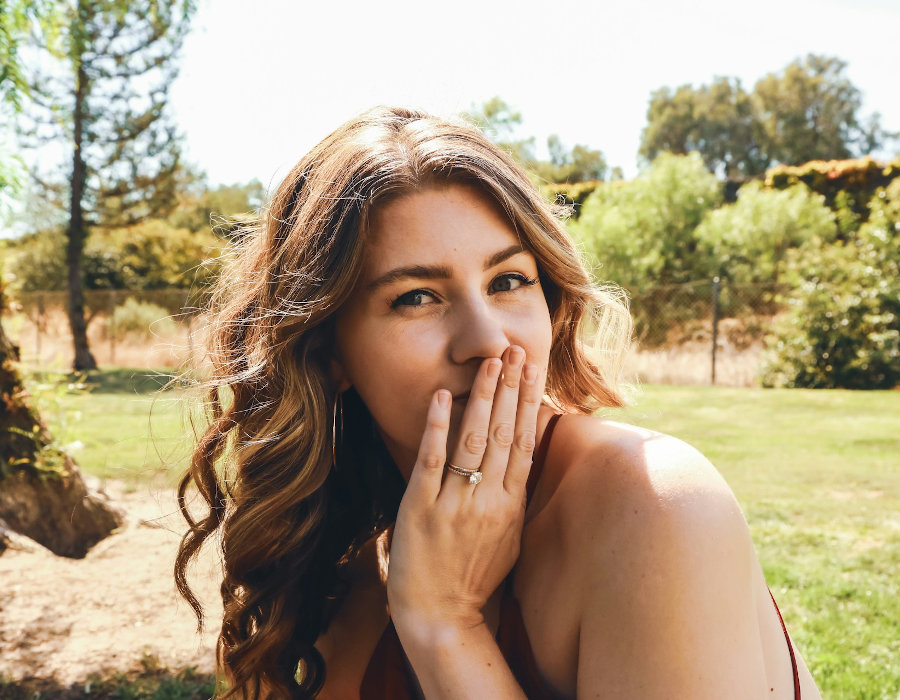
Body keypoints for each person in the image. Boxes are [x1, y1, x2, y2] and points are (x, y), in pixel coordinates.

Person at [175, 106, 822, 699]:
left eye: (509, 280)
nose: (487, 341)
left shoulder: (655, 504)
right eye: (416, 297)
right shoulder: (345, 556)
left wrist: (445, 625)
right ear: (329, 353)